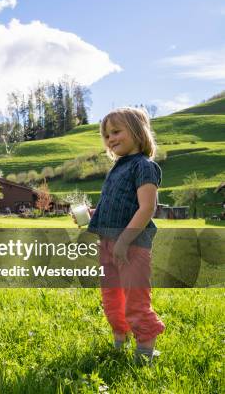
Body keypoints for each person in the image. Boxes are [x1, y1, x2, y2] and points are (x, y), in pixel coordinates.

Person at [86, 107, 165, 363]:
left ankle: (145, 351)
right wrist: (93, 213)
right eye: (107, 135)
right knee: (111, 299)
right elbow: (119, 203)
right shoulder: (118, 167)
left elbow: (147, 207)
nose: (111, 139)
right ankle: (119, 340)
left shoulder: (144, 166)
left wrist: (123, 241)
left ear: (137, 131)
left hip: (131, 246)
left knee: (135, 300)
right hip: (108, 245)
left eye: (116, 131)